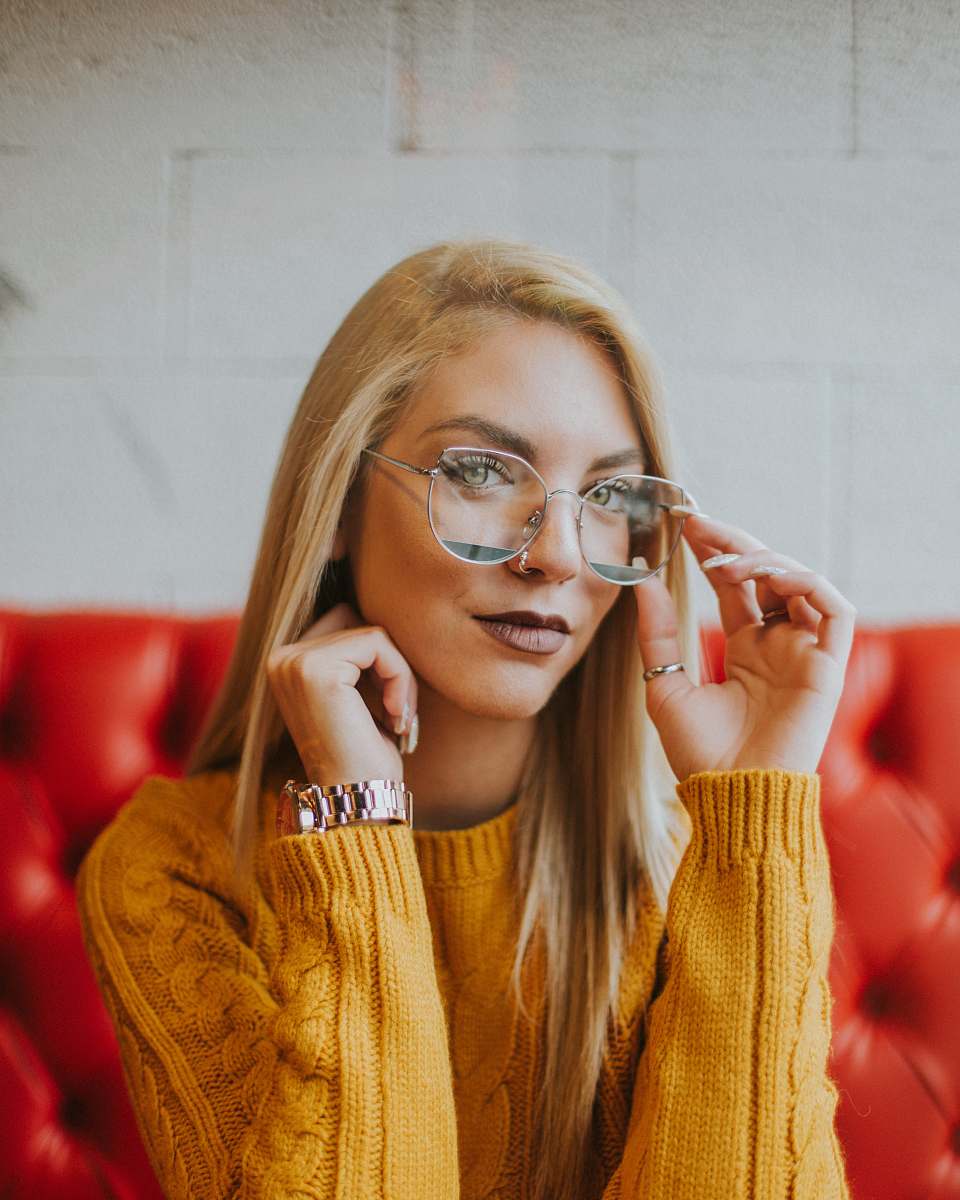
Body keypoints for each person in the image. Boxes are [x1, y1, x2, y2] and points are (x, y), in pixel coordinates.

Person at [76, 237, 855, 1200]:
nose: (560, 556)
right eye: (483, 472)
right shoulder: (174, 869)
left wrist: (752, 823)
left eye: (608, 494)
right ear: (337, 504)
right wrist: (357, 821)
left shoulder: (701, 860)